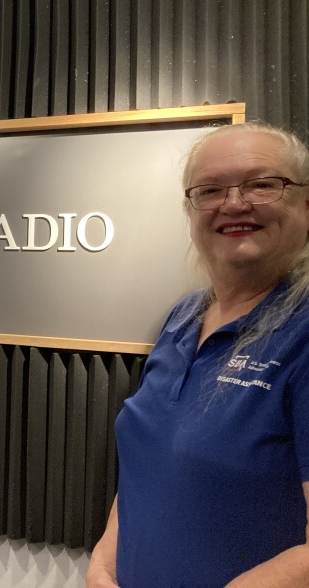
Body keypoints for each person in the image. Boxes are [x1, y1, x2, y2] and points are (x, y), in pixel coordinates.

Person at [86, 122, 309, 587]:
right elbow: (150, 469)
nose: (234, 203)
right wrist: (104, 563)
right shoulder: (183, 317)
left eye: (263, 184)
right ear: (190, 211)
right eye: (210, 190)